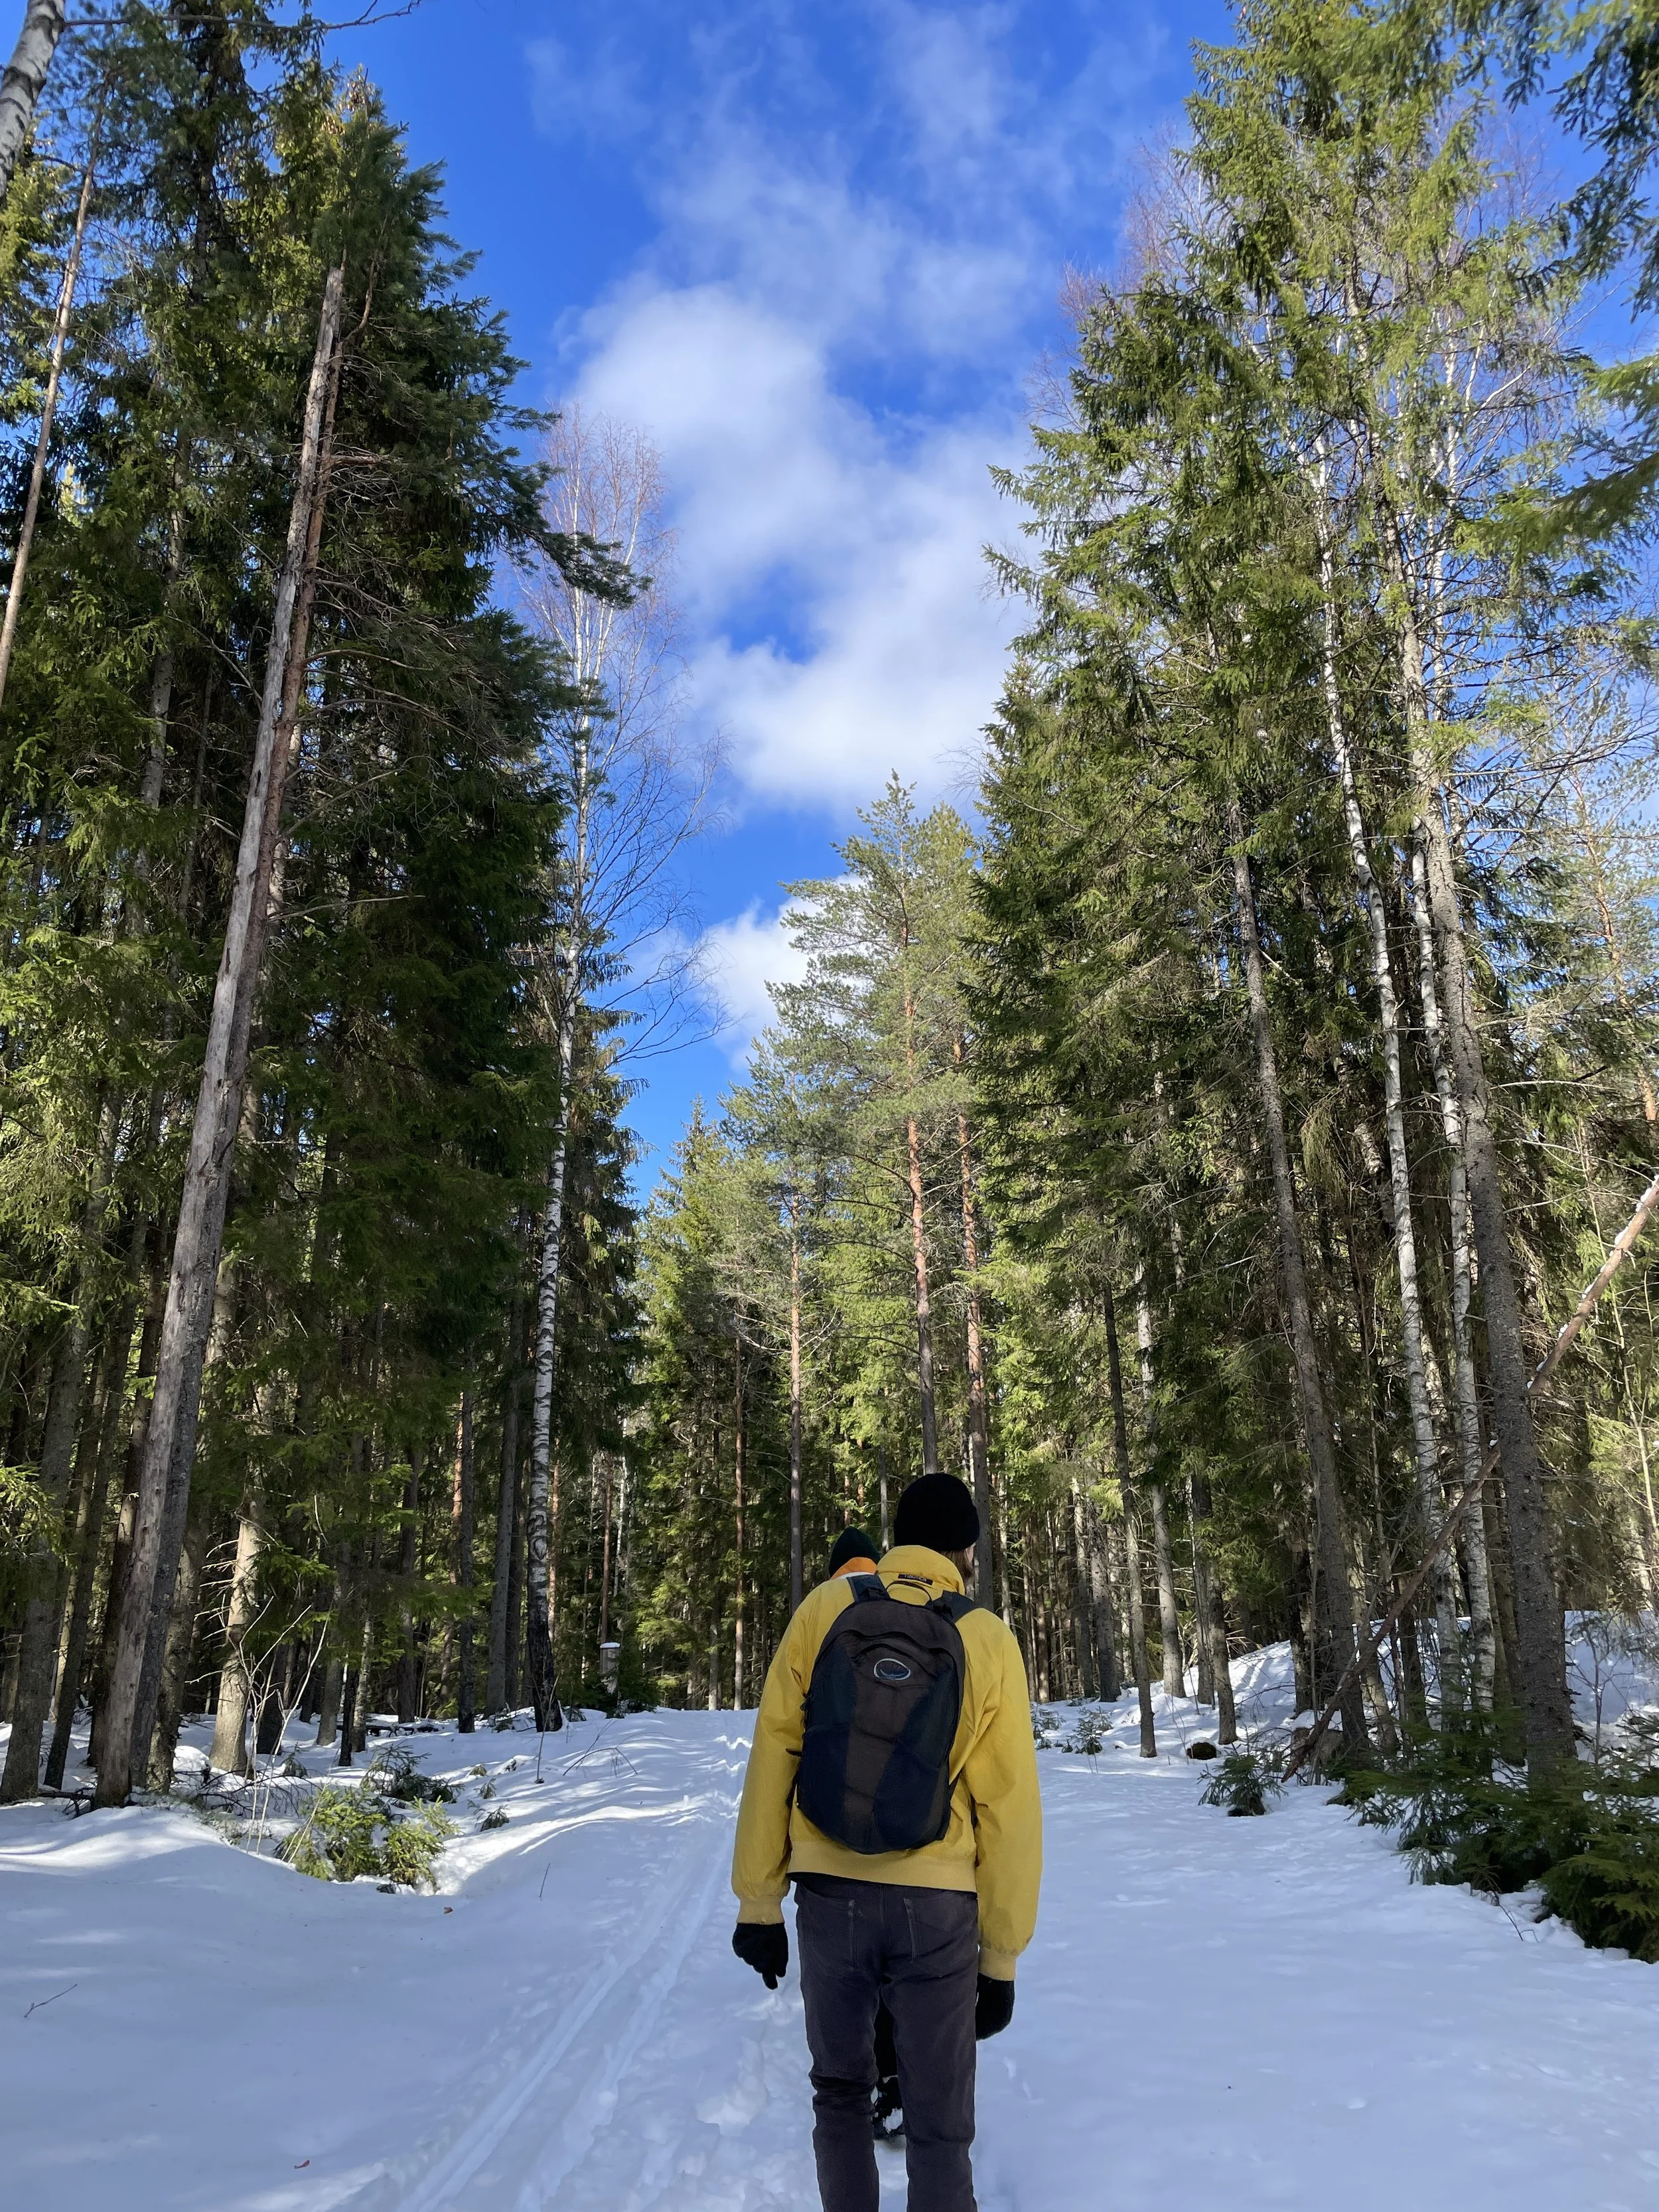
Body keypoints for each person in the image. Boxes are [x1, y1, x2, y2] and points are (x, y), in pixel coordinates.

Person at [731, 1472, 1042, 2212]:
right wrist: (999, 1957)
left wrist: (758, 1905)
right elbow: (1008, 1808)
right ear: (965, 1546)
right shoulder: (987, 1637)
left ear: (896, 1534)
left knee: (839, 2093)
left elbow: (774, 1750)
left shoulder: (825, 1609)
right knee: (939, 2117)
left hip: (828, 1894)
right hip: (938, 1907)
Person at [824, 1526, 901, 2142]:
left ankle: (863, 2087)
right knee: (896, 1976)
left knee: (851, 1984)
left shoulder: (819, 1617)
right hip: (908, 1832)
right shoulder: (904, 1609)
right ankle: (901, 2078)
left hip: (832, 1845)